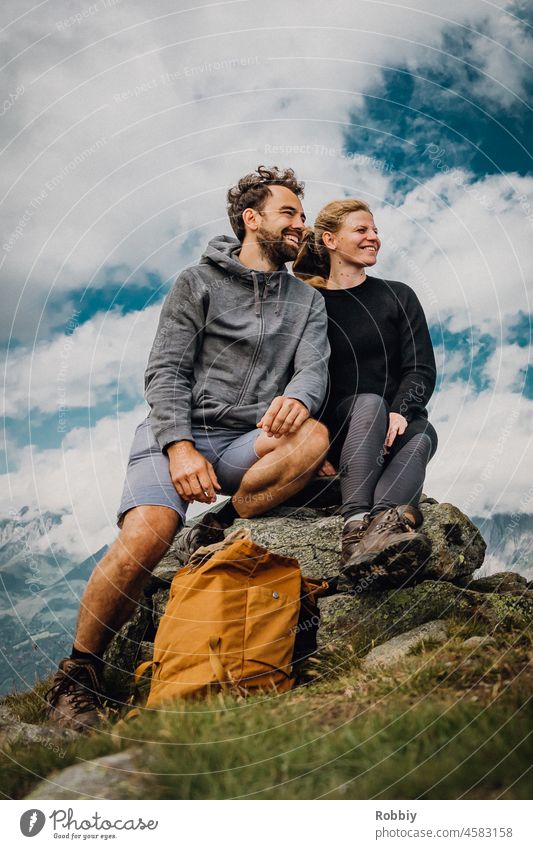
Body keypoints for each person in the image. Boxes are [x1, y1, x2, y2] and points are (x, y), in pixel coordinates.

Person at [46, 165, 330, 730]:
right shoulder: (196, 282)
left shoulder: (306, 301)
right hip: (180, 432)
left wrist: (300, 399)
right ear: (252, 220)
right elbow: (166, 372)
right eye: (289, 213)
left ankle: (230, 514)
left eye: (302, 214)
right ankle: (78, 677)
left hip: (247, 441)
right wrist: (178, 446)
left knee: (315, 436)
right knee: (147, 533)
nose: (302, 224)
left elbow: (314, 371)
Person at [293, 198, 437, 592]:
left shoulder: (398, 295)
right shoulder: (309, 304)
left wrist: (401, 411)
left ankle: (377, 534)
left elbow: (420, 367)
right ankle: (354, 523)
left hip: (393, 427)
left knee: (423, 433)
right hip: (340, 434)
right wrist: (312, 447)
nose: (374, 237)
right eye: (362, 230)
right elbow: (294, 377)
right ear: (331, 240)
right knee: (369, 402)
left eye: (375, 230)